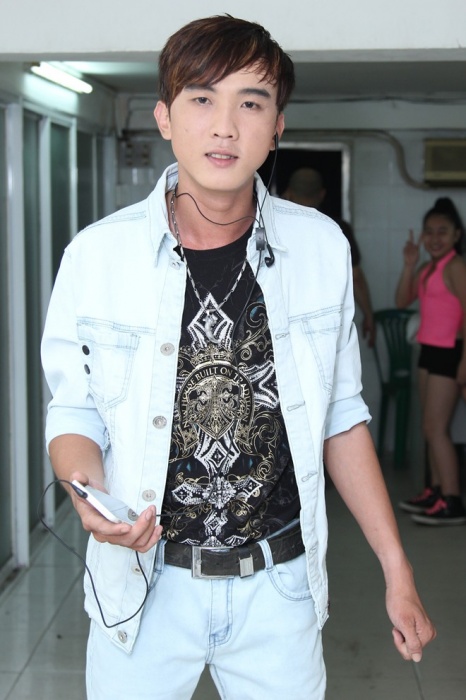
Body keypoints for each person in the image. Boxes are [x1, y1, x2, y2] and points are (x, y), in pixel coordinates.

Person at [41, 15, 435, 699]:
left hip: (278, 588)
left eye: (250, 103)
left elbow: (341, 419)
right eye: (202, 98)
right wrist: (88, 493)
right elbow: (74, 409)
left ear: (277, 125)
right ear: (164, 117)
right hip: (143, 586)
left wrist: (396, 568)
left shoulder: (320, 249)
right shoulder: (98, 256)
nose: (225, 126)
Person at [396, 197, 466, 525]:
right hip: (429, 350)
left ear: (456, 235)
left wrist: (464, 362)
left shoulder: (456, 267)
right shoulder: (428, 268)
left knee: (436, 429)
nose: (435, 238)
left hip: (450, 352)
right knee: (430, 427)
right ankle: (436, 491)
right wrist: (409, 264)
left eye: (443, 231)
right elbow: (402, 301)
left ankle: (452, 500)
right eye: (429, 232)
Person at [282, 167, 376, 346]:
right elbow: (355, 277)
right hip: (327, 322)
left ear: (289, 193)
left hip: (285, 322)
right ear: (322, 194)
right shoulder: (337, 228)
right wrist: (369, 316)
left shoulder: (277, 227)